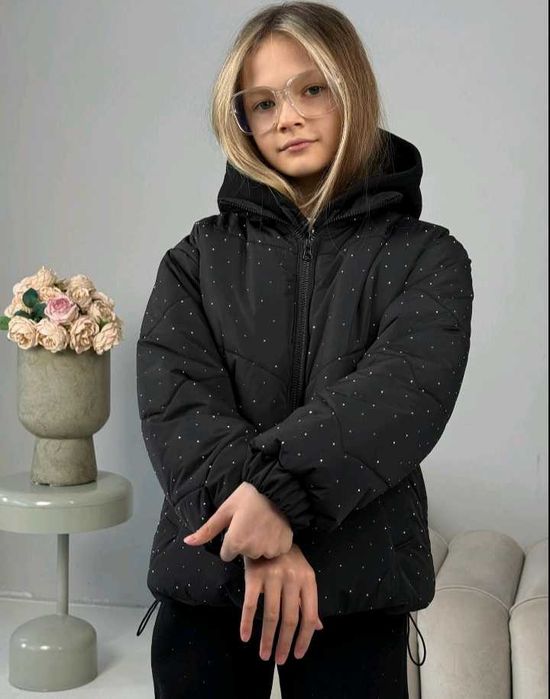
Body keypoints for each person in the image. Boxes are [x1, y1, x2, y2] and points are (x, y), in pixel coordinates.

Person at [135, 2, 474, 698]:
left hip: (354, 591)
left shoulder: (429, 258)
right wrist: (260, 530)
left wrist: (276, 496)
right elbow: (176, 407)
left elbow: (405, 393)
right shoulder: (195, 259)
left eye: (310, 88)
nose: (286, 117)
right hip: (212, 582)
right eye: (262, 103)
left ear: (352, 88)